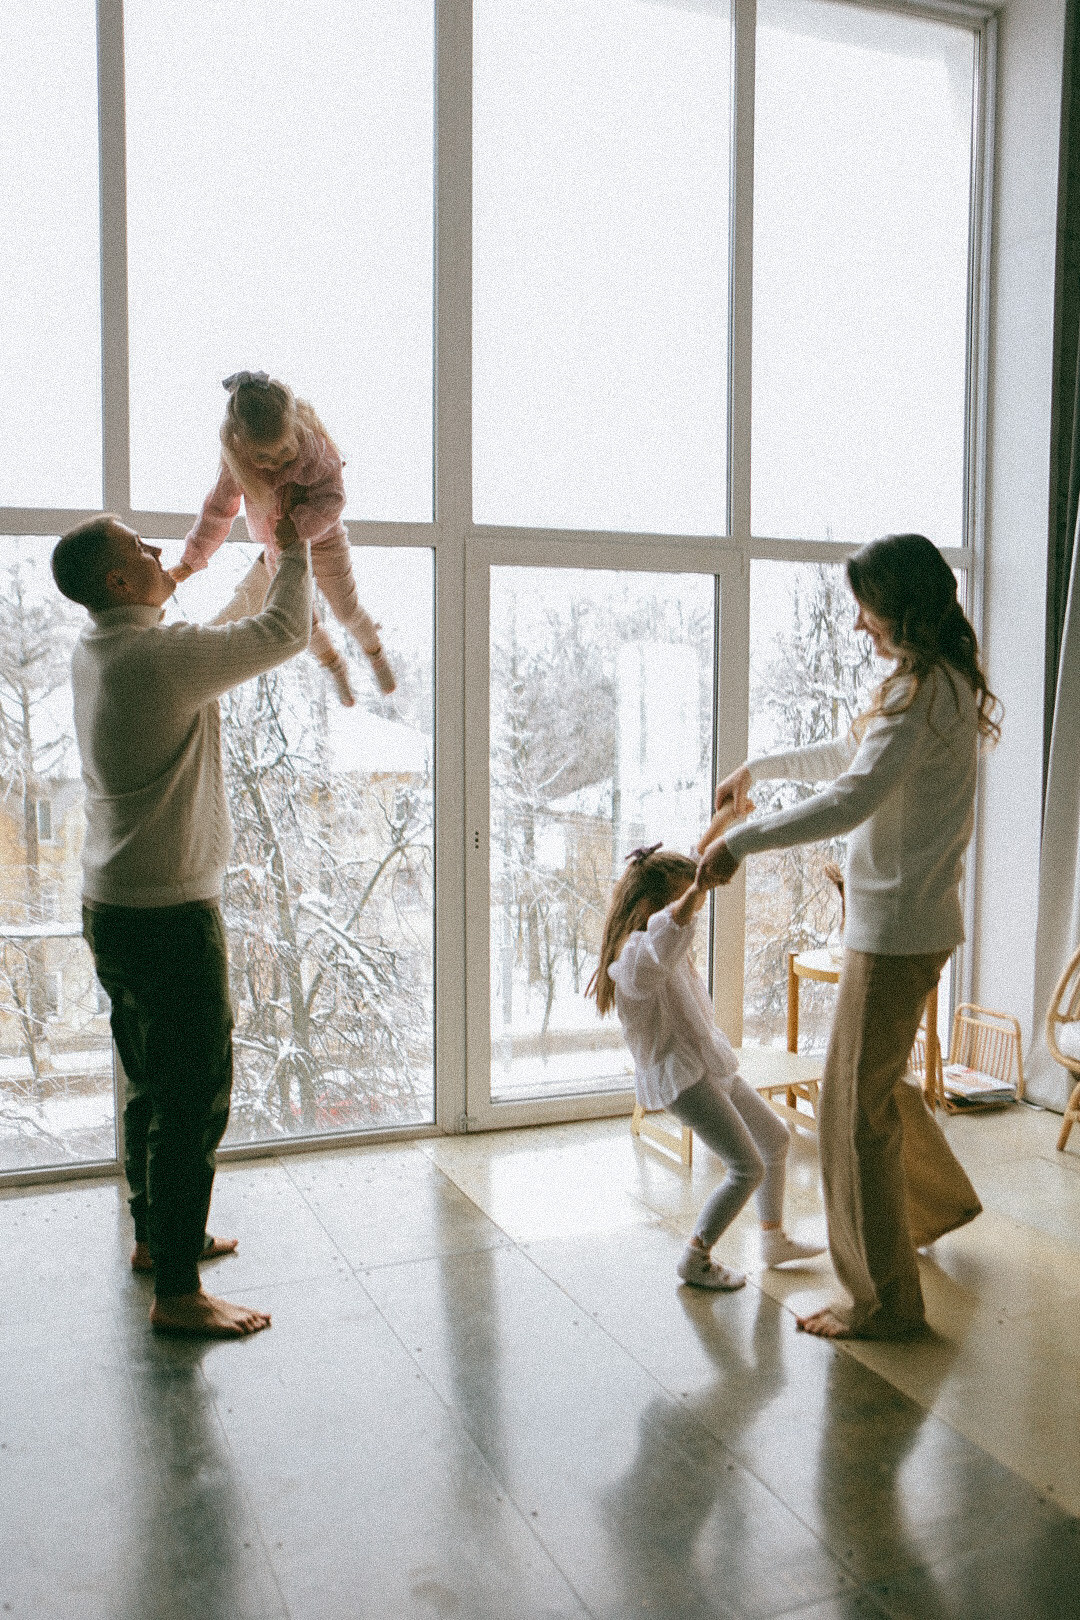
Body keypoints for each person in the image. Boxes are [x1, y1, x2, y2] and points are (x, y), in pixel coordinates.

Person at [699, 533, 996, 1341]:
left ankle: (883, 1300)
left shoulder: (926, 688)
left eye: (868, 606)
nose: (860, 622)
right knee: (875, 1090)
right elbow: (847, 757)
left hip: (897, 930)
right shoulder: (928, 684)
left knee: (847, 1115)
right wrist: (757, 768)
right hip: (906, 924)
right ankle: (934, 1209)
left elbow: (852, 798)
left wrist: (737, 843)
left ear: (900, 604)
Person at [51, 513, 313, 1337]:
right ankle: (178, 1291)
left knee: (147, 1081)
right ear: (119, 583)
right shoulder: (157, 662)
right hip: (168, 914)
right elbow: (280, 633)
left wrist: (267, 557)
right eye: (141, 550)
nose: (160, 555)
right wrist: (299, 550)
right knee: (194, 1096)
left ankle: (160, 1239)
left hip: (113, 905)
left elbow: (222, 633)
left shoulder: (102, 652)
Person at [588, 834, 824, 1291]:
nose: (693, 912)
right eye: (684, 904)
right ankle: (695, 1257)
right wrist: (694, 893)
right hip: (681, 1078)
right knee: (747, 1167)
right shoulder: (634, 960)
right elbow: (665, 937)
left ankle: (773, 1239)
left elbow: (699, 863)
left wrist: (727, 819)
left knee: (774, 1139)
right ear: (654, 907)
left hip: (706, 1061)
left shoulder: (659, 942)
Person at [171, 370, 395, 707]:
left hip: (325, 539)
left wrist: (300, 525)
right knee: (302, 623)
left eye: (284, 453)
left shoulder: (313, 447)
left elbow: (333, 498)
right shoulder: (238, 465)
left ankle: (374, 650)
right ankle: (333, 664)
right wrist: (192, 558)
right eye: (263, 458)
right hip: (278, 548)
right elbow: (217, 512)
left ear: (294, 431)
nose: (275, 463)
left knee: (346, 609)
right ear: (241, 446)